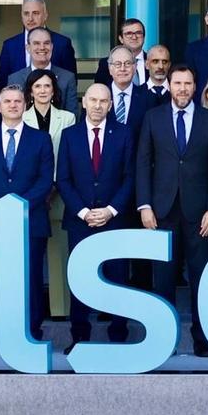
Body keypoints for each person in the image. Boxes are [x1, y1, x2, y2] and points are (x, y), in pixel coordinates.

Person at [132, 65, 208, 357]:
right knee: (163, 279)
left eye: (187, 83)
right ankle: (164, 340)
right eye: (178, 83)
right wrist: (144, 205)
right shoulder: (153, 117)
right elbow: (142, 163)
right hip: (161, 211)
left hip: (200, 215)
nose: (182, 89)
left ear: (195, 87)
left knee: (202, 279)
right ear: (169, 85)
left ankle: (202, 340)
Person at [0, 83, 54, 356]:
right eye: (7, 101)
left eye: (18, 101)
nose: (13, 105)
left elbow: (45, 180)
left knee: (31, 280)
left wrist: (18, 208)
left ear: (25, 105)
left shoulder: (41, 139)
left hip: (30, 221)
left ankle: (32, 334)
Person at [57, 81, 133, 349]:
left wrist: (110, 211)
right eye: (93, 100)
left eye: (103, 101)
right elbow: (63, 179)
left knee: (118, 279)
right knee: (80, 281)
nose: (98, 105)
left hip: (115, 220)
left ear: (110, 105)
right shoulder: (70, 135)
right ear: (84, 102)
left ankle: (118, 336)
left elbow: (130, 177)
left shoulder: (124, 134)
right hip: (80, 221)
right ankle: (79, 337)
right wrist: (84, 212)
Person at [25, 69, 77, 321]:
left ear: (54, 91)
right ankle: (30, 308)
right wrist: (38, 189)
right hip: (29, 195)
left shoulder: (67, 118)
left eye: (47, 86)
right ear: (30, 91)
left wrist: (54, 186)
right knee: (30, 258)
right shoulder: (20, 116)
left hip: (59, 192)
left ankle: (60, 309)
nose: (43, 90)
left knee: (58, 253)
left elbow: (70, 154)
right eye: (38, 86)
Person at [0, 0, 78, 84]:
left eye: (35, 13)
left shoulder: (62, 44)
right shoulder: (9, 46)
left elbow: (70, 82)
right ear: (22, 17)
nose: (30, 18)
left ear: (45, 15)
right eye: (26, 14)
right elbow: (3, 83)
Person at [106, 47, 152, 139]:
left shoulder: (149, 98)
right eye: (118, 64)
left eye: (127, 64)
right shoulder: (98, 97)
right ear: (110, 69)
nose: (123, 68)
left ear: (134, 68)